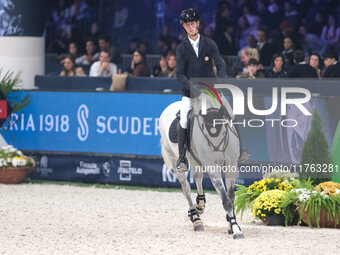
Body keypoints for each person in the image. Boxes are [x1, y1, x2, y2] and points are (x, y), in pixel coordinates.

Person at [176, 8, 226, 171]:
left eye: (193, 23)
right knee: (184, 119)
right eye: (187, 25)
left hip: (210, 91)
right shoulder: (182, 48)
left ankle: (236, 150)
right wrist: (192, 87)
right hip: (189, 92)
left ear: (198, 23)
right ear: (184, 27)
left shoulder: (209, 43)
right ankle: (182, 157)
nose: (190, 27)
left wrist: (219, 84)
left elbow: (220, 64)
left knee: (228, 112)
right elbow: (180, 73)